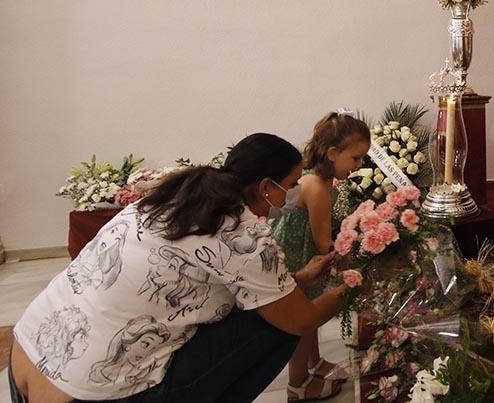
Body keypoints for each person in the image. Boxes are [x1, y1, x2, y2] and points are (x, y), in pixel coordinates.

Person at [10, 133, 345, 403]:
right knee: (278, 327)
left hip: (26, 358)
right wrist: (356, 286)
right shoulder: (243, 234)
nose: (297, 191)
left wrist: (296, 279)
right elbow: (301, 319)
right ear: (266, 187)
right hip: (90, 392)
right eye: (293, 182)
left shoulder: (166, 200)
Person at [269, 112, 371, 402]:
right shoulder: (316, 187)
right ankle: (298, 386)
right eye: (356, 158)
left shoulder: (322, 180)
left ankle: (313, 365)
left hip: (302, 253)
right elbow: (323, 241)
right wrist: (359, 250)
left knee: (310, 313)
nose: (359, 165)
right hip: (294, 258)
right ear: (333, 153)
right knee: (301, 321)